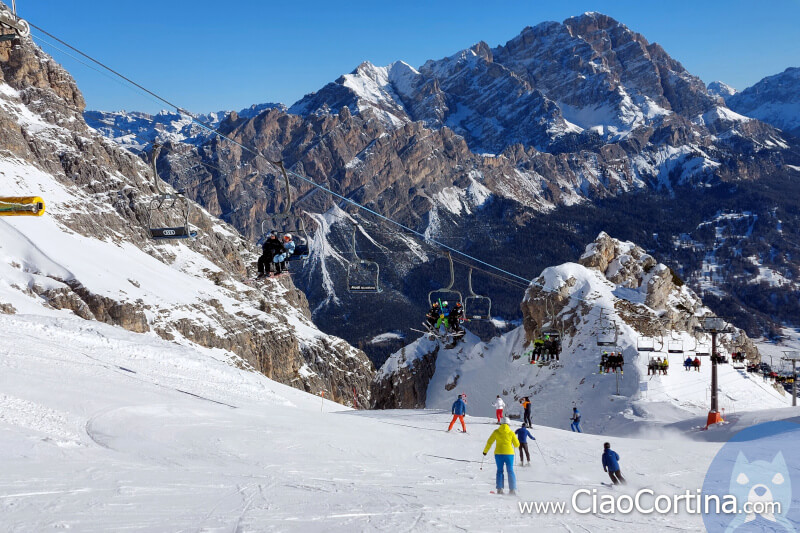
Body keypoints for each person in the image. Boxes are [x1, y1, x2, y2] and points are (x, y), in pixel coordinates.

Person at [483, 417, 520, 495]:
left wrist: (485, 451)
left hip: (498, 454)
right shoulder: (511, 432)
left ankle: (500, 489)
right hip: (509, 454)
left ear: (501, 423)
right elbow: (517, 445)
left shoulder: (496, 432)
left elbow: (489, 442)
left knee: (499, 471)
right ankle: (512, 490)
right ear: (509, 424)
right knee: (510, 471)